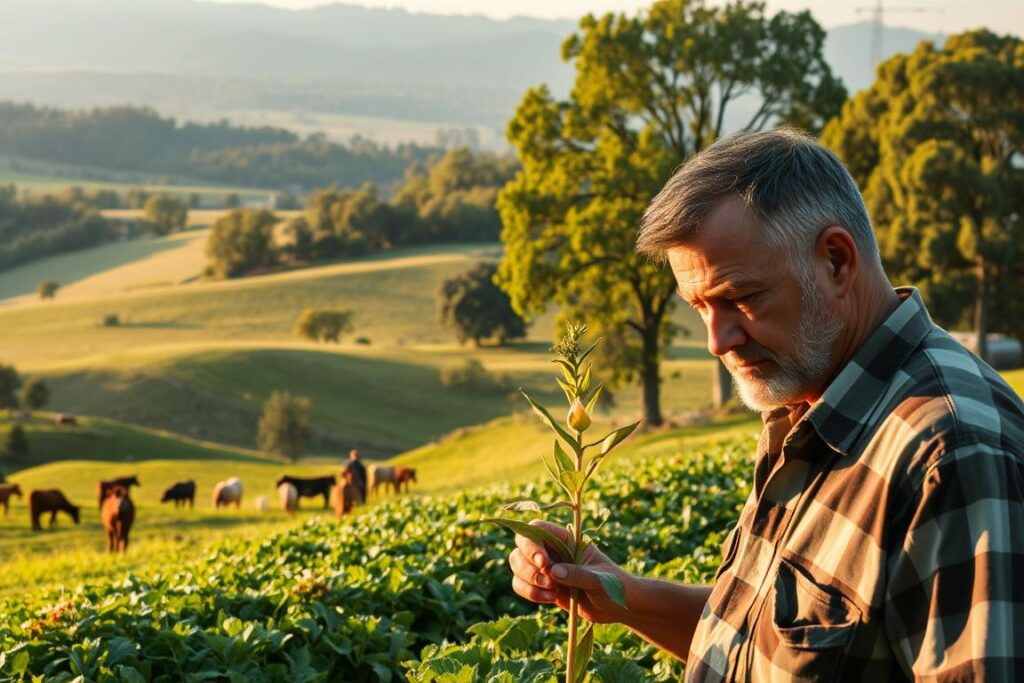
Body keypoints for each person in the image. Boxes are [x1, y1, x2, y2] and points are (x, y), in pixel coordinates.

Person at [508, 129, 1024, 681]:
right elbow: (775, 644)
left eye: (742, 298)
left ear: (836, 261)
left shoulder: (951, 454)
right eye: (700, 306)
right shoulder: (812, 406)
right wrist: (623, 596)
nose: (717, 340)